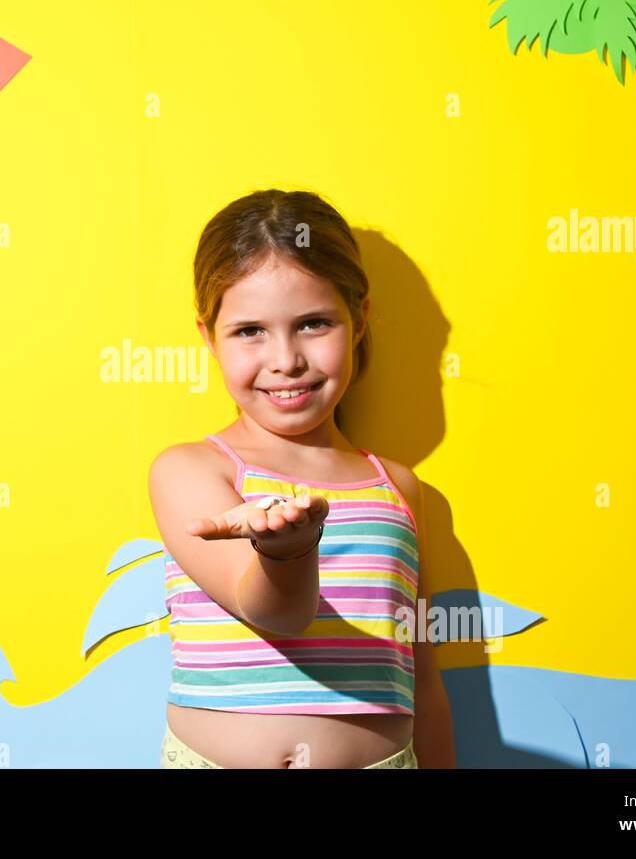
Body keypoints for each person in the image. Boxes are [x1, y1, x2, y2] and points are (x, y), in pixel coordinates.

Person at [148, 188, 456, 769]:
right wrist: (285, 554)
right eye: (249, 331)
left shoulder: (397, 487)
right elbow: (273, 612)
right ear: (208, 337)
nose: (285, 359)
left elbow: (423, 676)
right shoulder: (192, 470)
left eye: (313, 324)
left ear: (359, 318)